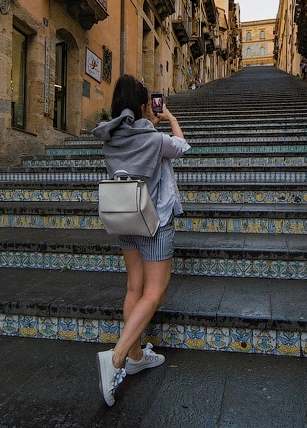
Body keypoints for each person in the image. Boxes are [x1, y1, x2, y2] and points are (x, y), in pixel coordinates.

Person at [92, 75, 189, 406]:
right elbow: (181, 146)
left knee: (134, 288)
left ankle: (135, 356)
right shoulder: (154, 139)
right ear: (145, 105)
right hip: (154, 221)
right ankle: (117, 356)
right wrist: (169, 119)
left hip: (125, 216)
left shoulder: (110, 138)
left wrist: (146, 123)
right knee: (155, 292)